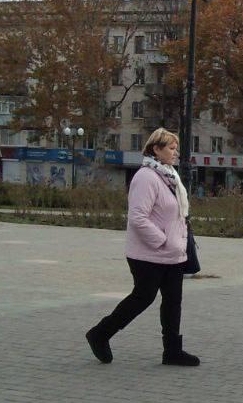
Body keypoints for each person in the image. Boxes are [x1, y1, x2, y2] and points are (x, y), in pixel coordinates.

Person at [85, 128, 200, 367]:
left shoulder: (169, 175)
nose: (175, 152)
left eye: (176, 148)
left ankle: (172, 351)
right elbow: (138, 217)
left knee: (173, 301)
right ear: (155, 149)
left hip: (172, 254)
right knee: (143, 298)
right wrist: (162, 241)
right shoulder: (146, 177)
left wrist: (175, 244)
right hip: (148, 254)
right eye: (171, 148)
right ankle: (100, 334)